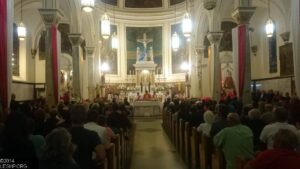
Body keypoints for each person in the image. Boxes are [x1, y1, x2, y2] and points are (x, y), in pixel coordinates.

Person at [69, 104, 106, 169]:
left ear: (71, 117)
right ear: (85, 117)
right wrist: (93, 162)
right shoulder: (92, 135)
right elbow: (101, 155)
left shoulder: (63, 134)